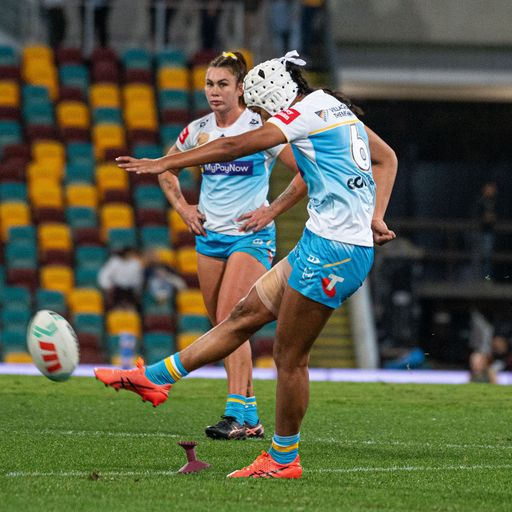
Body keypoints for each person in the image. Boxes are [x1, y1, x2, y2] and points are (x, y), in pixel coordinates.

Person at [96, 51, 397, 478]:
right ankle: (157, 378)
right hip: (321, 241)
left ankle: (282, 459)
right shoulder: (331, 105)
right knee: (241, 317)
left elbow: (236, 144)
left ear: (271, 94)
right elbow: (388, 159)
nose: (259, 116)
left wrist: (164, 163)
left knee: (289, 358)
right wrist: (375, 216)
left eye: (258, 107)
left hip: (336, 252)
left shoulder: (303, 112)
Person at [156, 50, 305, 440]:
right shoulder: (197, 130)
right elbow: (166, 169)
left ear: (241, 89)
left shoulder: (260, 126)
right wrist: (184, 208)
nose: (214, 91)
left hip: (250, 237)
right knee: (224, 329)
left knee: (229, 319)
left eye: (223, 84)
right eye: (209, 84)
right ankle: (251, 416)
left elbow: (306, 173)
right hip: (210, 239)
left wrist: (271, 211)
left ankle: (235, 414)